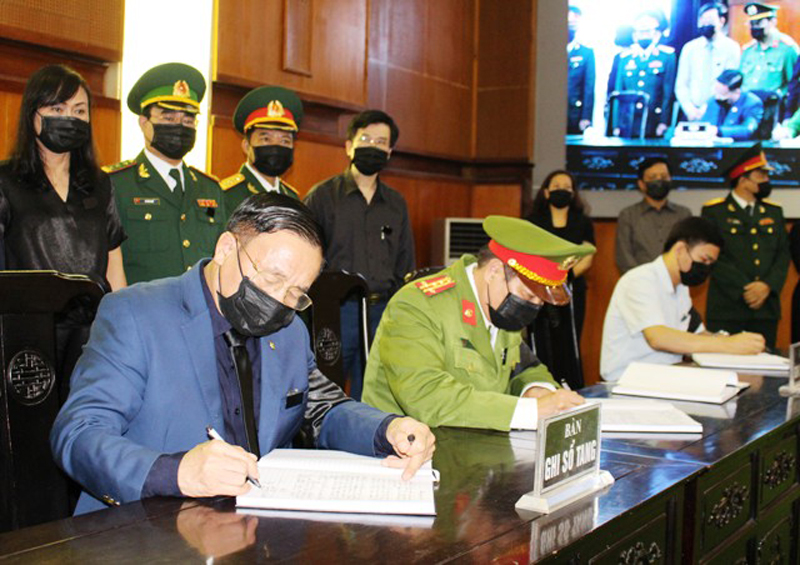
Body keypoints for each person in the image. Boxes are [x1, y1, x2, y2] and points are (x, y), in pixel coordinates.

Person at [50, 193, 435, 515]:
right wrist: (177, 472)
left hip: (255, 528)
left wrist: (388, 430)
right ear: (226, 248)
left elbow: (322, 409)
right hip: (149, 527)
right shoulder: (137, 314)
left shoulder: (289, 331)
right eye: (272, 279)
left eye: (296, 293)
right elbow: (78, 434)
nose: (280, 301)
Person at [361, 216, 591, 431]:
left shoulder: (500, 308)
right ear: (494, 271)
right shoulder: (417, 305)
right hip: (404, 449)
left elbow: (525, 368)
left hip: (474, 441)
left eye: (540, 301)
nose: (533, 307)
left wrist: (536, 390)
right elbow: (425, 396)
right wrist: (529, 411)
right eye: (528, 295)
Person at [0, 64, 127, 400]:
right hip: (26, 339)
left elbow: (115, 269)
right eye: (57, 109)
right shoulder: (6, 181)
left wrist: (124, 328)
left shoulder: (99, 184)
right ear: (32, 113)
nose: (69, 118)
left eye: (79, 111)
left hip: (92, 337)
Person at [304, 110, 414, 400]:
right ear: (348, 145)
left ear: (390, 151)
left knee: (376, 393)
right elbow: (306, 256)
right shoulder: (323, 196)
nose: (372, 147)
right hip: (336, 312)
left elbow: (405, 262)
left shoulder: (396, 203)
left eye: (381, 142)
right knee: (328, 390)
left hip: (382, 312)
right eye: (365, 139)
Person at [601, 217, 765, 382]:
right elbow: (658, 338)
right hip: (628, 381)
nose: (706, 268)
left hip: (666, 376)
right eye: (704, 259)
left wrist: (735, 341)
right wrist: (728, 345)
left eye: (711, 263)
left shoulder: (681, 287)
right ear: (679, 249)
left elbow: (698, 334)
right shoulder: (640, 280)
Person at [104, 62, 226, 284]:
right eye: (168, 118)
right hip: (140, 304)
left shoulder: (210, 188)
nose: (180, 126)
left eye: (188, 120)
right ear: (144, 122)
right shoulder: (115, 184)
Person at [701, 143, 789, 349]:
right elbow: (713, 257)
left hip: (765, 309)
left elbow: (782, 255)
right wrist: (746, 289)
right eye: (761, 175)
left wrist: (766, 286)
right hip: (728, 306)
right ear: (742, 179)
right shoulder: (715, 212)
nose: (766, 180)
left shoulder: (774, 212)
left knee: (766, 361)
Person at [527, 170, 595, 389]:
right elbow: (528, 254)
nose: (562, 190)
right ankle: (540, 386)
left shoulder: (582, 221)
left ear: (573, 193)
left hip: (572, 289)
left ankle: (572, 387)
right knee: (541, 340)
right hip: (538, 288)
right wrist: (546, 279)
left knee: (569, 340)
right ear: (546, 192)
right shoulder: (532, 222)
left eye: (567, 187)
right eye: (556, 186)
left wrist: (562, 278)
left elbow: (588, 255)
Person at [220, 86, 302, 213]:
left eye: (285, 141)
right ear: (246, 146)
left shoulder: (292, 198)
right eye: (266, 139)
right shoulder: (226, 195)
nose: (276, 147)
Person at [615, 157, 691, 274]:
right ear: (641, 184)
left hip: (677, 279)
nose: (659, 181)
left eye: (664, 177)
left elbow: (690, 251)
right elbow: (624, 257)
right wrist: (643, 279)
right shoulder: (628, 215)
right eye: (653, 177)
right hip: (640, 280)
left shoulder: (684, 214)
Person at [611, 9, 675, 138]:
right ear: (635, 35)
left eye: (647, 31)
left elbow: (667, 94)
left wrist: (664, 122)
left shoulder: (667, 57)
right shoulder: (625, 58)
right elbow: (619, 92)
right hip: (628, 121)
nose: (644, 35)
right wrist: (616, 124)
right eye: (640, 32)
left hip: (653, 121)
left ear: (656, 33)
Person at [674, 2, 740, 122]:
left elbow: (729, 84)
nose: (705, 24)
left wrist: (708, 108)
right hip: (691, 113)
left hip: (720, 111)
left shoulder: (731, 48)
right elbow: (681, 84)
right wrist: (689, 109)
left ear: (721, 21)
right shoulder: (690, 48)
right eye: (702, 20)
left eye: (710, 20)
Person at [740, 3, 798, 96]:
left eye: (759, 23)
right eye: (752, 24)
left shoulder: (787, 49)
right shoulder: (748, 50)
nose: (755, 27)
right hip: (748, 103)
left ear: (772, 22)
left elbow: (795, 84)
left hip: (773, 103)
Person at [701, 70, 764, 141]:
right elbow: (705, 124)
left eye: (722, 85)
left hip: (739, 145)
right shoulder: (713, 100)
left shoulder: (752, 103)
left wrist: (719, 131)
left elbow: (748, 130)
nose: (716, 87)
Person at [567, 5, 595, 135]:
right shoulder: (550, 50)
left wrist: (586, 117)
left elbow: (589, 87)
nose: (571, 22)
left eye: (575, 19)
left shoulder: (586, 53)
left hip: (575, 114)